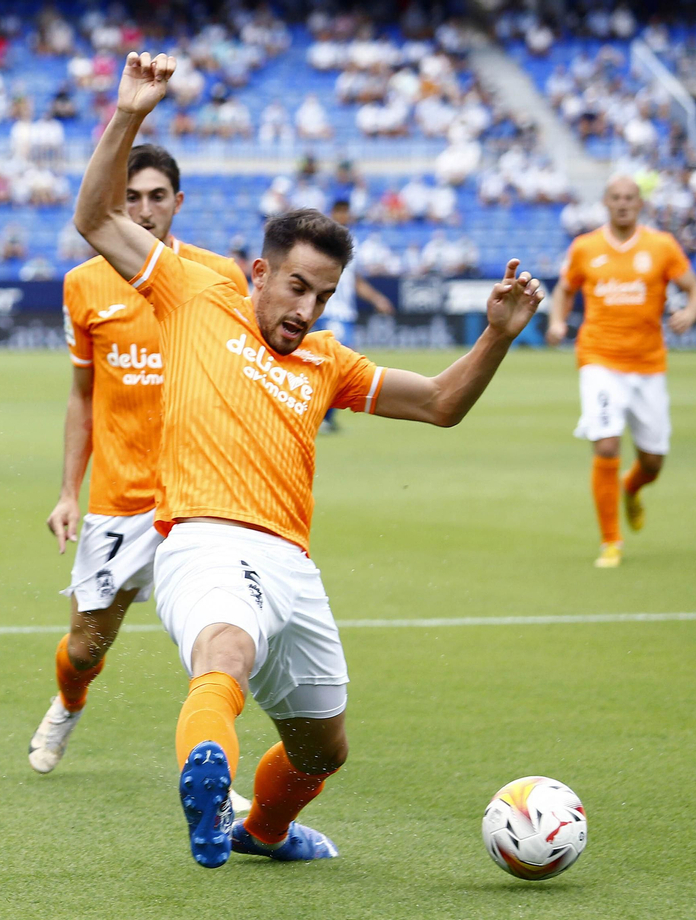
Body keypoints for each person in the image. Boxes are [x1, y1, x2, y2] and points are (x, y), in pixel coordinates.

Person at [72, 52, 543, 869]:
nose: (305, 308)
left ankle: (266, 831)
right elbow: (94, 219)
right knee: (225, 653)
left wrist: (497, 335)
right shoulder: (193, 292)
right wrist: (130, 116)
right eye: (294, 287)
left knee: (324, 748)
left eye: (322, 296)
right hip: (204, 540)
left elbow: (439, 404)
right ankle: (208, 788)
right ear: (259, 272)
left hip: (291, 563)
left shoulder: (327, 361)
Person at [32, 143, 249, 777]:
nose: (145, 209)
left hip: (198, 502)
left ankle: (216, 768)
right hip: (119, 505)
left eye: (157, 196)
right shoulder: (84, 285)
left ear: (178, 203)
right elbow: (83, 395)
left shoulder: (219, 278)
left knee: (223, 640)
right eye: (131, 197)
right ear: (113, 202)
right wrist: (69, 492)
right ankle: (68, 703)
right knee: (84, 645)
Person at [546, 175, 696, 568]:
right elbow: (565, 289)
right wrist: (556, 322)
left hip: (649, 364)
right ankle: (610, 542)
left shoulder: (662, 246)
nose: (622, 204)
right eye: (615, 197)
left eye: (629, 198)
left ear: (640, 204)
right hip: (599, 359)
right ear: (605, 202)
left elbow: (695, 289)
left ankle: (631, 489)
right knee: (606, 444)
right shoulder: (585, 248)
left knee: (653, 461)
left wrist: (690, 311)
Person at [315, 197, 395, 433]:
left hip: (345, 313)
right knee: (336, 363)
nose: (343, 216)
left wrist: (377, 298)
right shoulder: (324, 242)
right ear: (332, 213)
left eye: (346, 212)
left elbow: (355, 281)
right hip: (330, 311)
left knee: (339, 364)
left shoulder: (350, 244)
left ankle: (325, 418)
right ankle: (320, 417)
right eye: (339, 211)